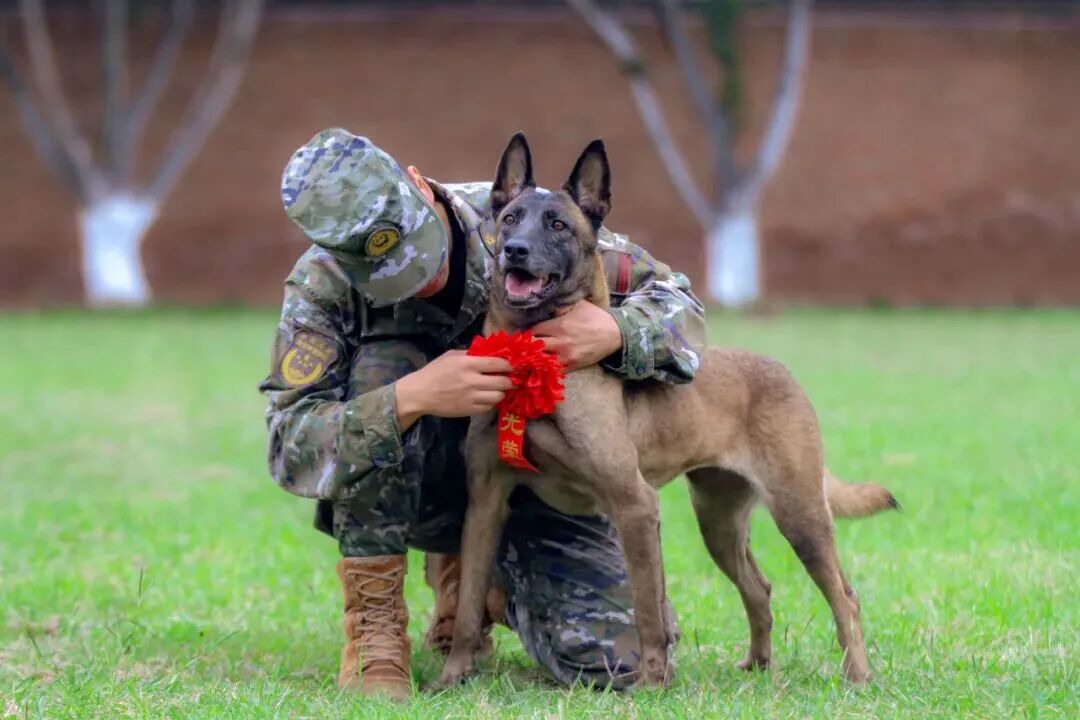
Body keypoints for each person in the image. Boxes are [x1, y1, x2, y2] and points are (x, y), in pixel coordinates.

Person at [259, 128, 705, 699]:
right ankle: (378, 627)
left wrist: (618, 330)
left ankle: (482, 578)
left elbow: (686, 313)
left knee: (611, 661)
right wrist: (411, 398)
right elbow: (289, 445)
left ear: (420, 186)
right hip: (417, 484)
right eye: (389, 273)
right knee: (382, 371)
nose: (420, 280)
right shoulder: (323, 283)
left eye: (417, 254)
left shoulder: (519, 219)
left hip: (551, 478)